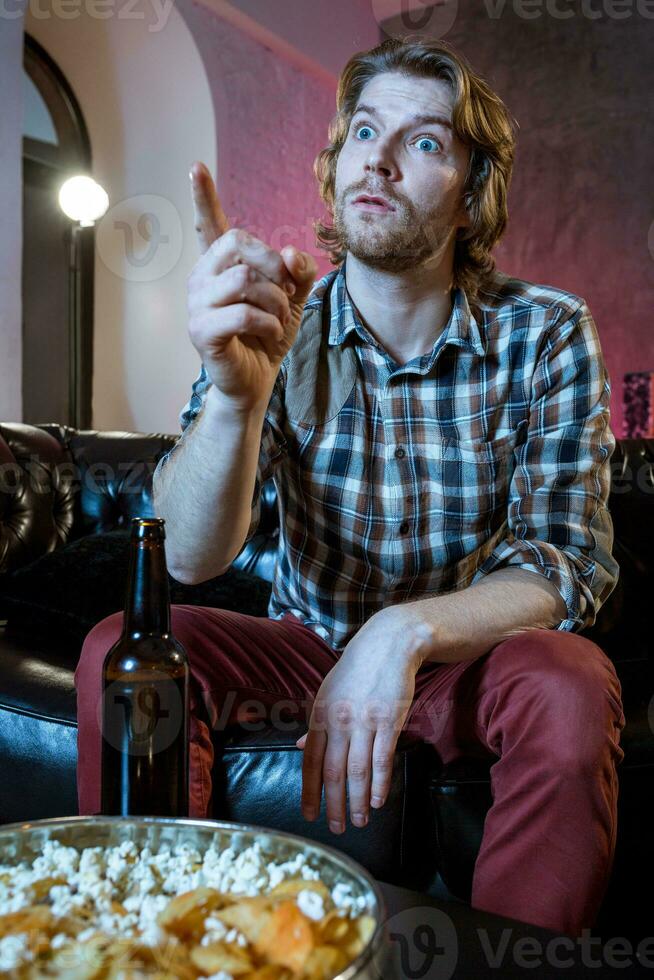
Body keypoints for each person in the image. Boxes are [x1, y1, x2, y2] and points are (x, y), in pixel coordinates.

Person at [74, 35, 625, 937]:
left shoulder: (549, 333)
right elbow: (186, 556)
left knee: (568, 679)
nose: (378, 156)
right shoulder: (281, 322)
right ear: (335, 166)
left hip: (462, 667)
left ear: (470, 192)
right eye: (365, 130)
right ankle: (161, 943)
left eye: (424, 142)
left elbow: (563, 565)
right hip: (298, 654)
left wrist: (403, 634)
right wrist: (232, 400)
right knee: (122, 651)